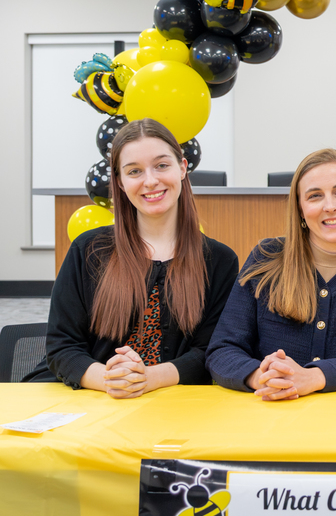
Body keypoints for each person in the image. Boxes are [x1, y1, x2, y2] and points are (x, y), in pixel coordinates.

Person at [25, 119, 238, 397]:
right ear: (120, 183)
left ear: (183, 168)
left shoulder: (219, 260)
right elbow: (62, 346)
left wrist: (149, 378)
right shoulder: (88, 249)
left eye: (162, 165)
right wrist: (112, 379)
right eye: (134, 171)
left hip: (174, 403)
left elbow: (212, 352)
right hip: (89, 396)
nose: (150, 181)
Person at [206, 149, 336, 400]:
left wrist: (313, 378)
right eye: (315, 196)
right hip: (269, 416)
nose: (330, 206)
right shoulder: (266, 256)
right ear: (299, 208)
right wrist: (262, 377)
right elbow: (222, 349)